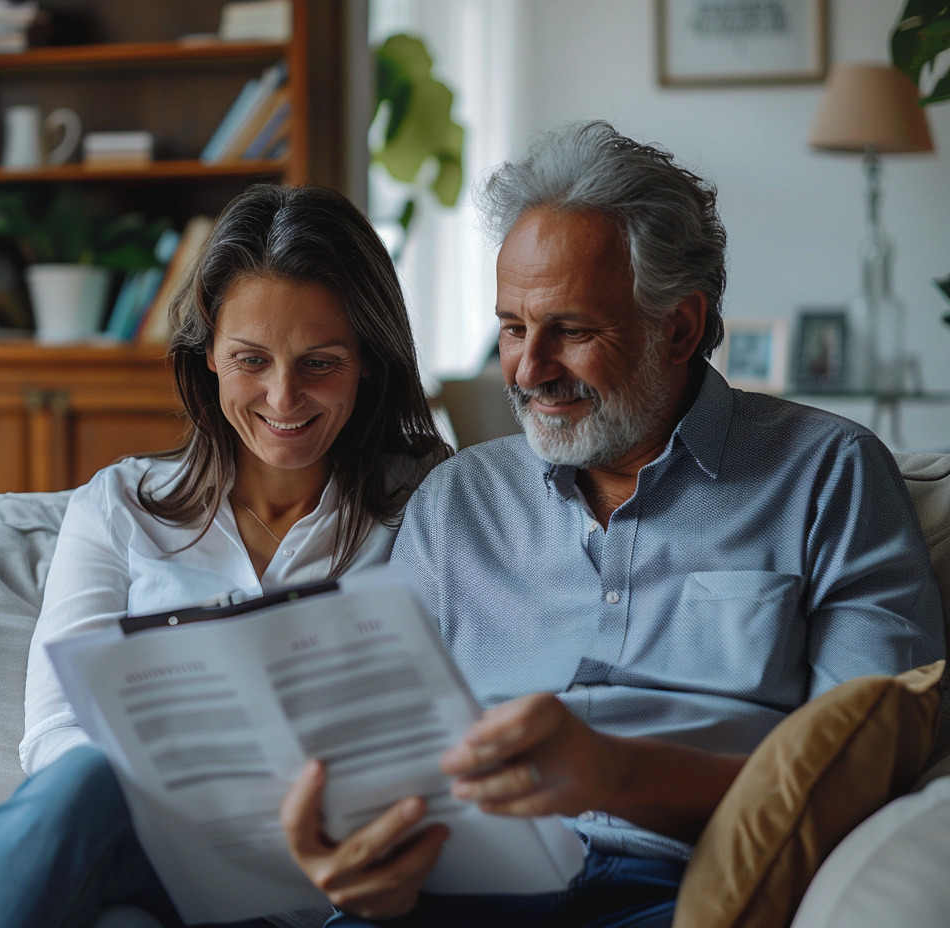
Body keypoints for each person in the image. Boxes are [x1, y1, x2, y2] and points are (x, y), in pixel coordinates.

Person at [276, 121, 945, 927]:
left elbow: (863, 771)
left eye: (572, 330)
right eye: (513, 328)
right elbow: (373, 747)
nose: (528, 370)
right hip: (462, 881)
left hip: (691, 883)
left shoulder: (826, 474)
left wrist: (611, 774)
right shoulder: (457, 502)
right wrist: (348, 850)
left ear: (682, 328)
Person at [0, 182, 451, 928]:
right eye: (251, 359)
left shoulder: (434, 507)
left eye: (321, 363)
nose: (283, 399)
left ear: (369, 364)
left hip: (340, 870)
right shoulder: (120, 507)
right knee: (90, 776)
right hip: (163, 848)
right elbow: (56, 729)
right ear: (209, 360)